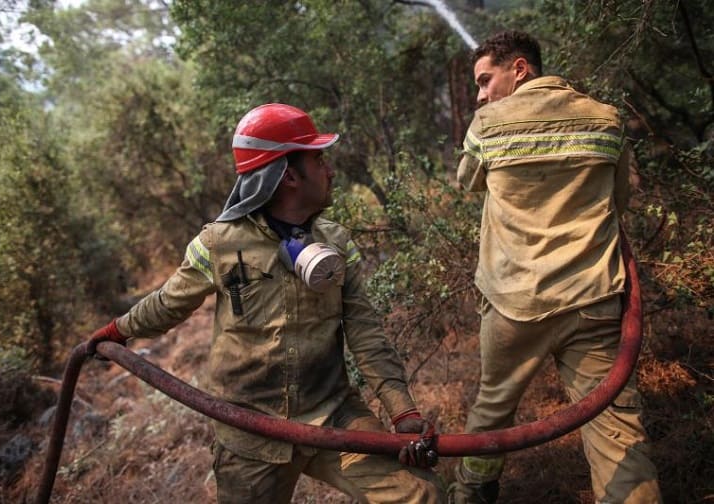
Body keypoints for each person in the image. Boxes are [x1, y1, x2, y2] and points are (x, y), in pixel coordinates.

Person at [87, 103, 444, 503]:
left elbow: (366, 333)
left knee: (421, 495)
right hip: (249, 430)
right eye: (319, 159)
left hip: (333, 415)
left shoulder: (337, 242)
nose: (330, 171)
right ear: (289, 175)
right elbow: (169, 303)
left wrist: (403, 412)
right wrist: (115, 333)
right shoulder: (219, 244)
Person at [448, 31, 662, 504]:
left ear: (520, 69)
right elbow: (619, 202)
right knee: (616, 429)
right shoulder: (607, 119)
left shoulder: (489, 122)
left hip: (512, 305)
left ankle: (472, 494)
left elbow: (468, 182)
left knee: (492, 411)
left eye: (486, 80)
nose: (482, 94)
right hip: (594, 301)